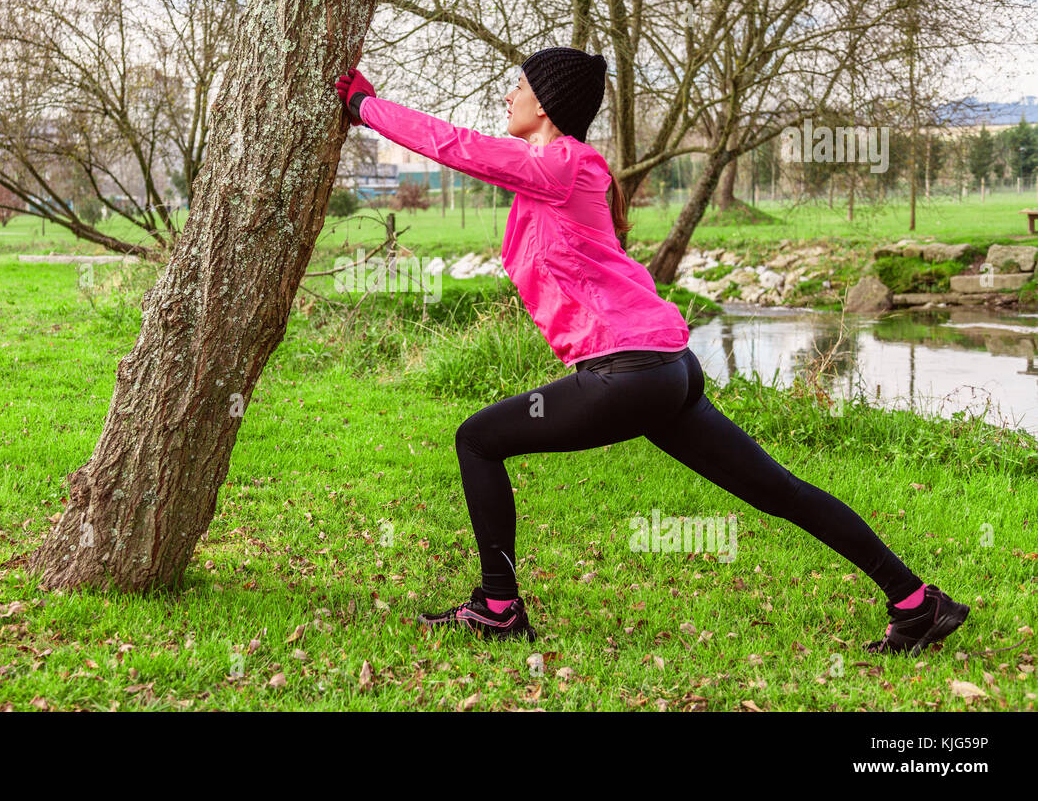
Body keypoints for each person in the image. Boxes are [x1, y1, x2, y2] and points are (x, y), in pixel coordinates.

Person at [333, 49, 970, 654]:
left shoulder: (562, 164)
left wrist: (367, 107)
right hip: (664, 371)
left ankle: (498, 608)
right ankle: (916, 602)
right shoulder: (551, 174)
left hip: (630, 372)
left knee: (478, 439)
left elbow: (460, 148)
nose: (507, 95)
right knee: (777, 489)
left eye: (519, 87)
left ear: (548, 104)